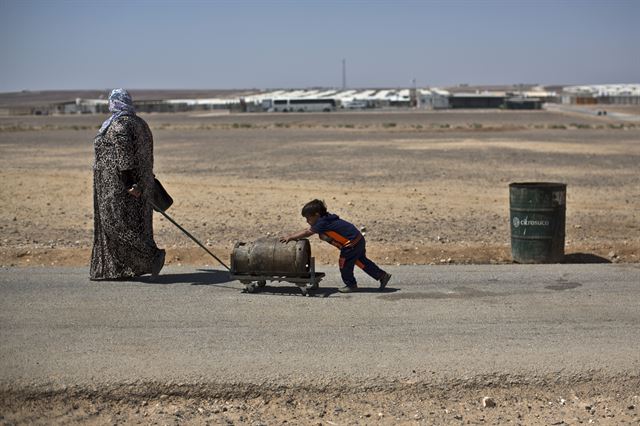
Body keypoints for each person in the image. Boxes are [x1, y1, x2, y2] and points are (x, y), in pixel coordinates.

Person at [90, 89, 165, 280]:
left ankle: (152, 256)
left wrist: (129, 183)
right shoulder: (140, 123)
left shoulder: (118, 125)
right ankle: (119, 269)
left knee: (114, 224)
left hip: (120, 188)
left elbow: (124, 157)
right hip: (142, 185)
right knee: (136, 226)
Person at [281, 199, 391, 293]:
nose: (307, 221)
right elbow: (325, 236)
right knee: (361, 261)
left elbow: (307, 232)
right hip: (358, 240)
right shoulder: (327, 219)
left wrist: (290, 237)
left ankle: (351, 284)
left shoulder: (321, 223)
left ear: (317, 215)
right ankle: (382, 276)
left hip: (351, 243)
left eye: (308, 218)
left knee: (344, 263)